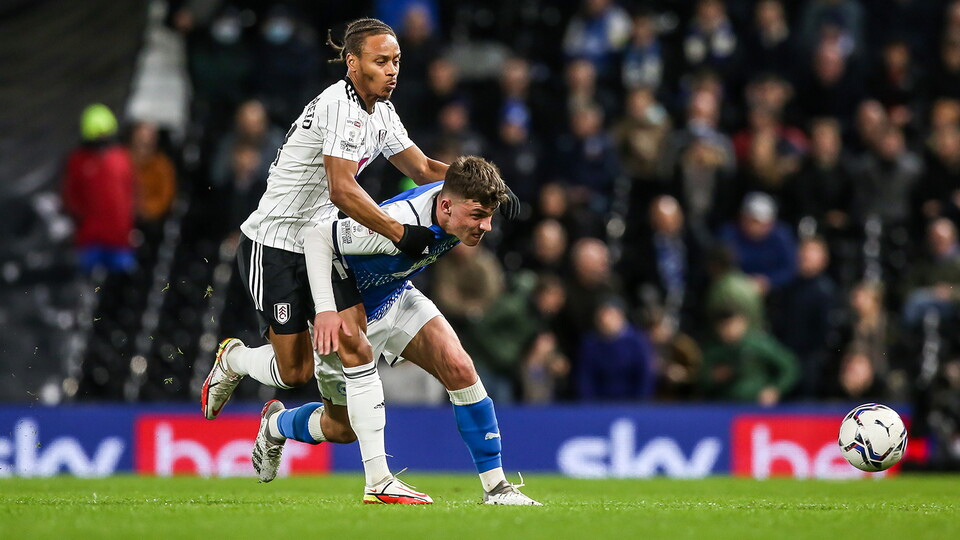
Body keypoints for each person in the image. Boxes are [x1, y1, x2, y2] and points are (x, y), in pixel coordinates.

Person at [201, 18, 521, 426]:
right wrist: (399, 232)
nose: (392, 71)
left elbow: (423, 168)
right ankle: (235, 359)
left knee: (343, 347)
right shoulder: (339, 108)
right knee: (294, 371)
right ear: (353, 64)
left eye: (397, 61)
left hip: (324, 242)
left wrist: (489, 191)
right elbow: (342, 189)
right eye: (381, 61)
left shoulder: (381, 111)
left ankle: (362, 465)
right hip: (276, 241)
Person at [251, 156, 540, 506]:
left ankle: (497, 488)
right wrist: (326, 308)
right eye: (478, 216)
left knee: (461, 368)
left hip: (396, 295)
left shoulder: (456, 204)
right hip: (349, 309)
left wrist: (499, 190)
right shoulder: (397, 223)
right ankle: (276, 425)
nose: (486, 226)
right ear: (445, 206)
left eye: (489, 216)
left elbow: (451, 174)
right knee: (340, 429)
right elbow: (317, 237)